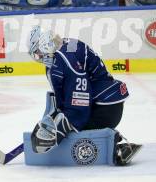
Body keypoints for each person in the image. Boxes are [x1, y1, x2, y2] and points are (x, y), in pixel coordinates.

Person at [27, 26, 140, 165]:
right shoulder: (66, 45)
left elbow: (79, 99)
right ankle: (110, 140)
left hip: (105, 109)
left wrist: (62, 125)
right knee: (69, 124)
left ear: (45, 45)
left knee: (72, 131)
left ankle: (114, 147)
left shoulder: (64, 60)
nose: (38, 58)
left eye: (37, 53)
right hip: (105, 101)